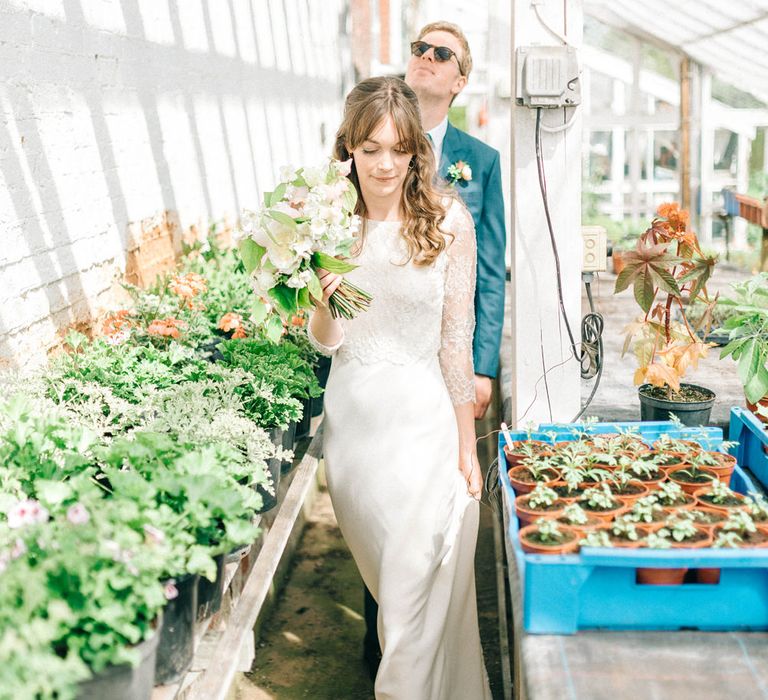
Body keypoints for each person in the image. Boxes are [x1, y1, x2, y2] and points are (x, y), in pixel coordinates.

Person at [308, 76, 492, 699]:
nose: (384, 164)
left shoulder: (448, 222)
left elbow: (454, 341)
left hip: (423, 424)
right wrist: (324, 301)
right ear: (349, 151)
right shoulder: (328, 222)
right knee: (392, 594)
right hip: (355, 432)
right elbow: (326, 341)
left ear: (416, 151)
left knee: (415, 591)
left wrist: (468, 447)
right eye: (369, 149)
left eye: (398, 149)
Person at [363, 20, 507, 678]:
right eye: (418, 47)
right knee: (380, 514)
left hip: (442, 365)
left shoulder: (479, 163)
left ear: (460, 78)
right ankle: (384, 652)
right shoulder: (367, 154)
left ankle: (428, 656)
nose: (423, 57)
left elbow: (489, 273)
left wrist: (480, 369)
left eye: (439, 52)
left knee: (438, 518)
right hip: (375, 363)